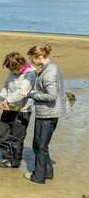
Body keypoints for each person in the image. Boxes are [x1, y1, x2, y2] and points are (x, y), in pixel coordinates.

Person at [22, 44, 71, 184]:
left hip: (48, 113)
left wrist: (32, 95)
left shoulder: (50, 72)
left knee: (40, 146)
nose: (31, 62)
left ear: (40, 57)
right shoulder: (50, 67)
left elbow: (51, 96)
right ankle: (47, 172)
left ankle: (38, 177)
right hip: (50, 112)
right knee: (41, 144)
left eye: (32, 59)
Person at [0, 52, 36, 169]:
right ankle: (6, 157)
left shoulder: (30, 74)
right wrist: (2, 98)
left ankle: (15, 162)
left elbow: (22, 91)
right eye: (10, 70)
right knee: (0, 134)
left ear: (20, 65)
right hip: (9, 108)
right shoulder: (11, 73)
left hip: (22, 110)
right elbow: (7, 86)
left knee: (16, 138)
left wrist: (8, 101)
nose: (12, 72)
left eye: (14, 70)